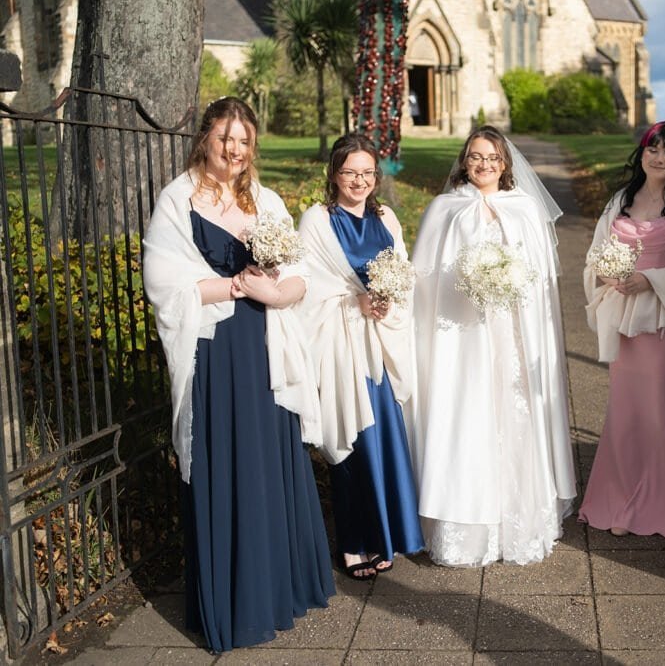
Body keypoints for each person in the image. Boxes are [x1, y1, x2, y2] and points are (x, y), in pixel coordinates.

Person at [142, 97, 333, 652]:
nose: (234, 149)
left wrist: (276, 289)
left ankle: (278, 592)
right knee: (229, 462)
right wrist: (232, 286)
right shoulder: (177, 200)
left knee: (269, 463)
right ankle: (235, 605)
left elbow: (299, 275)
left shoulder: (267, 200)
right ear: (205, 138)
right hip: (218, 350)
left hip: (266, 345)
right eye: (225, 138)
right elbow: (163, 282)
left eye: (244, 140)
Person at [411, 124, 575, 566]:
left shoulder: (523, 209)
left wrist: (508, 286)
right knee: (469, 413)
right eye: (475, 157)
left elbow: (539, 280)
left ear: (504, 165)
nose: (483, 165)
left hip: (513, 330)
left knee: (514, 413)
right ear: (464, 161)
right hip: (461, 332)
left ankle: (520, 520)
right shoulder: (444, 208)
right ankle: (465, 526)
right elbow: (424, 277)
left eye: (492, 158)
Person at [578, 121, 665, 540]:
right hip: (624, 320)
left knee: (664, 411)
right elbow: (594, 256)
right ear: (641, 153)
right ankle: (624, 498)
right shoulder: (621, 199)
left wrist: (652, 280)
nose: (659, 158)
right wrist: (607, 273)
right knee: (628, 411)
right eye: (653, 149)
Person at [297, 134, 424, 580]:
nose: (360, 181)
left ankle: (386, 534)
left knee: (384, 439)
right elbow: (307, 287)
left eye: (368, 172)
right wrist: (357, 303)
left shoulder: (386, 216)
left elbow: (403, 271)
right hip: (342, 346)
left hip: (380, 345)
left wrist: (387, 300)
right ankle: (353, 544)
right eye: (351, 172)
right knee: (351, 440)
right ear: (334, 173)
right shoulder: (316, 219)